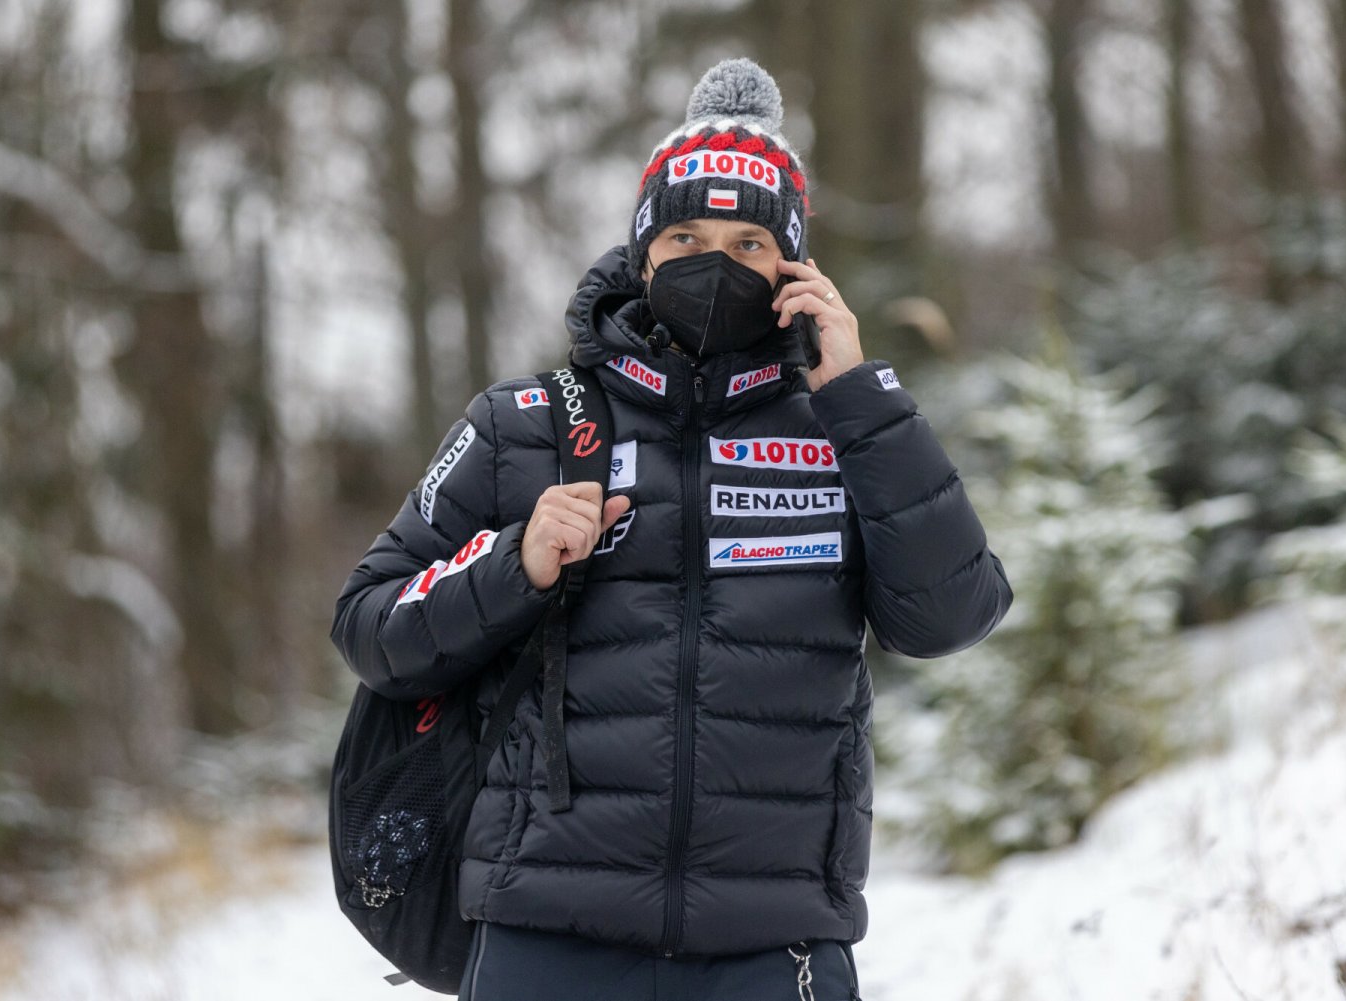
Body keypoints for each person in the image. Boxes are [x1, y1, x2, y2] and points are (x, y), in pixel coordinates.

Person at [330, 57, 1012, 1001]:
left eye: (747, 244)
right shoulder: (522, 424)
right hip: (546, 934)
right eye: (685, 234)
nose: (712, 264)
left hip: (775, 942)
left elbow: (953, 615)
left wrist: (860, 399)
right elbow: (369, 626)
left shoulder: (844, 427)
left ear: (794, 266)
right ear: (643, 253)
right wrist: (511, 566)